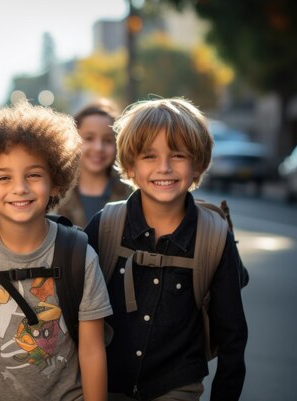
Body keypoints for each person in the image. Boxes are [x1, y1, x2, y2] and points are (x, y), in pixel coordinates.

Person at [0, 101, 113, 401]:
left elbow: (92, 350)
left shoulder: (80, 257)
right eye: (4, 177)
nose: (20, 188)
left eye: (33, 175)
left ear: (55, 181)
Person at [83, 98, 248, 401]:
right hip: (106, 383)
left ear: (198, 164)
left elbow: (233, 337)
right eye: (149, 156)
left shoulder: (213, 236)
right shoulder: (105, 226)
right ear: (130, 166)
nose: (164, 167)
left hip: (176, 386)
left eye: (178, 155)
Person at [54, 99, 131, 227]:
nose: (98, 148)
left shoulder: (130, 195)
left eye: (107, 140)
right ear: (73, 140)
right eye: (89, 138)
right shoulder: (56, 194)